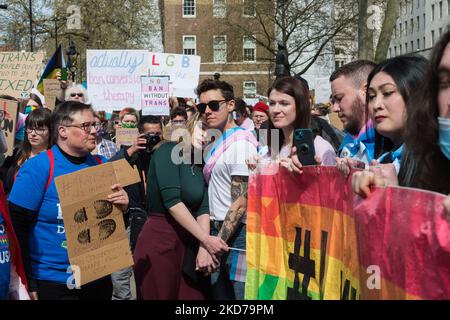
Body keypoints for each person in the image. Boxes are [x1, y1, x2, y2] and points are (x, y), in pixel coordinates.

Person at [8, 101, 129, 300]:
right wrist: (30, 281)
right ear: (63, 131)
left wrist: (123, 208)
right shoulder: (38, 168)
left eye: (95, 125)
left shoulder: (103, 166)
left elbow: (112, 226)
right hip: (53, 281)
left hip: (97, 278)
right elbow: (17, 230)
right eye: (86, 126)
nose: (93, 131)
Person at [133, 114, 229, 300]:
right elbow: (172, 202)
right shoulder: (168, 150)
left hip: (189, 243)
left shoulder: (201, 163)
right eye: (202, 128)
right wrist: (206, 240)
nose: (206, 136)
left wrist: (203, 246)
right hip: (160, 241)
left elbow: (203, 208)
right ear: (190, 127)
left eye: (212, 133)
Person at [352, 31, 450, 211]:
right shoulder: (383, 162)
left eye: (387, 93)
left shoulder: (434, 160)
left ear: (420, 92)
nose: (376, 105)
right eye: (371, 97)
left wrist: (398, 199)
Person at [196, 79, 258, 300]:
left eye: (214, 105)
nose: (207, 111)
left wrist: (214, 244)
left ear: (231, 105)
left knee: (239, 298)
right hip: (216, 232)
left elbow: (241, 202)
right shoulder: (213, 142)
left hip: (237, 236)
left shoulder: (242, 144)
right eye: (201, 107)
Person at [256, 76, 336, 174]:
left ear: (300, 107)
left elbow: (329, 187)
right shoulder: (270, 143)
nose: (275, 110)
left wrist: (305, 174)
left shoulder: (320, 147)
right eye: (272, 103)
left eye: (284, 103)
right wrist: (256, 170)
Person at [330, 60, 377, 165]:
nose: (335, 108)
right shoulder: (348, 141)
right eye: (333, 101)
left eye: (339, 98)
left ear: (366, 91)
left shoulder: (389, 143)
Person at [0, 109, 52, 194]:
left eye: (39, 129)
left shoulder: (53, 160)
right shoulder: (17, 152)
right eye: (30, 128)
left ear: (50, 131)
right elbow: (2, 175)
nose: (33, 133)